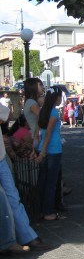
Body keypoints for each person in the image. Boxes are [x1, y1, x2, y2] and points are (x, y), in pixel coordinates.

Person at [0, 103, 51, 250]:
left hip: (1, 158)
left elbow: (7, 114)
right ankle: (9, 241)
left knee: (12, 197)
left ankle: (26, 237)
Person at [36, 87, 65, 221]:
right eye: (60, 97)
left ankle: (40, 209)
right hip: (53, 150)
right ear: (56, 98)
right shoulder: (54, 112)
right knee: (51, 182)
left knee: (43, 180)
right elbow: (48, 133)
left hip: (43, 148)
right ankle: (48, 211)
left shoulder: (43, 111)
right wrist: (42, 153)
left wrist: (37, 150)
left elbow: (38, 133)